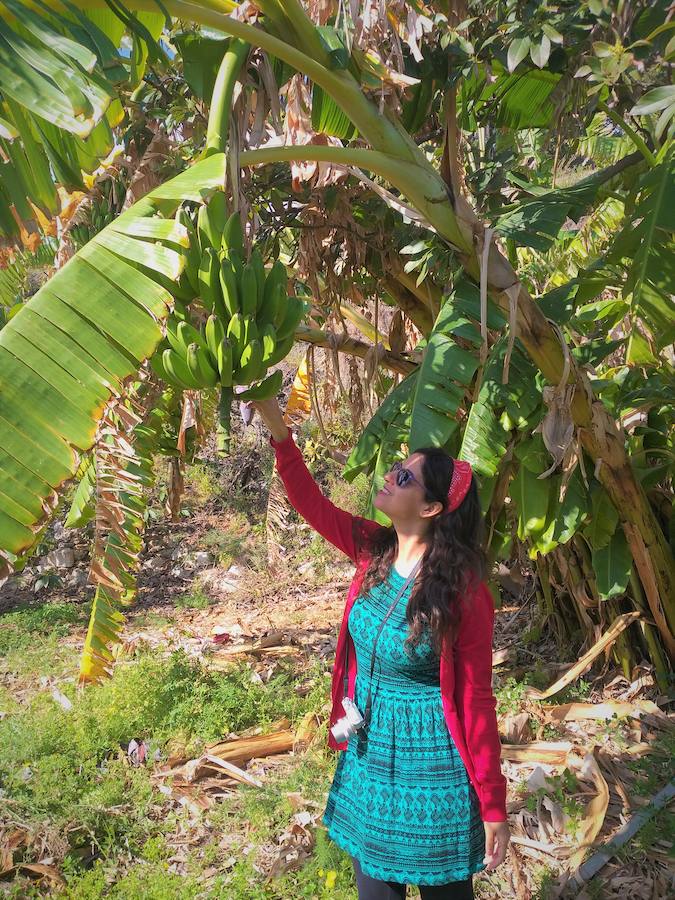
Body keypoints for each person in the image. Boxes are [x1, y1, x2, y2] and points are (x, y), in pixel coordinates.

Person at [252, 397, 510, 899]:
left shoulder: (463, 592)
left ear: (431, 508)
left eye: (407, 478)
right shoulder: (373, 549)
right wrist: (278, 429)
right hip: (370, 753)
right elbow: (311, 503)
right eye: (397, 468)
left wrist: (494, 803)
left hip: (434, 768)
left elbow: (477, 700)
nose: (392, 477)